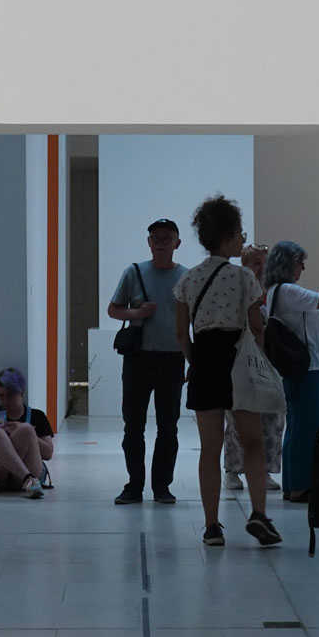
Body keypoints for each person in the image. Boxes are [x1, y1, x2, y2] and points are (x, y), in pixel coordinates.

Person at [173, 196, 280, 547]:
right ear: (228, 235)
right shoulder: (244, 277)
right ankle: (259, 514)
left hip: (204, 361)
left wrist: (195, 362)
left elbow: (181, 333)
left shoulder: (187, 279)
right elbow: (256, 326)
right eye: (240, 233)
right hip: (237, 361)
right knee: (252, 442)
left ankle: (211, 527)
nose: (242, 239)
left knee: (210, 447)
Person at [105, 218, 189, 504]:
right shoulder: (134, 272)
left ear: (177, 243)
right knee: (133, 426)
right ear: (149, 242)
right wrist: (136, 314)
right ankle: (134, 485)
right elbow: (113, 309)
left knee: (168, 427)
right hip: (138, 358)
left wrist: (192, 357)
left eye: (167, 239)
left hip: (172, 358)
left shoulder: (186, 277)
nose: (161, 244)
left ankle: (162, 486)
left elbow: (194, 319)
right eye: (156, 239)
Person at [263, 240, 319, 503]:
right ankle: (301, 486)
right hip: (310, 366)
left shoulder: (277, 291)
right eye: (300, 262)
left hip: (304, 367)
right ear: (288, 264)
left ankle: (295, 484)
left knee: (299, 427)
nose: (303, 268)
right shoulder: (288, 291)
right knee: (309, 429)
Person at [223, 243, 283, 491]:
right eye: (256, 263)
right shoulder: (237, 290)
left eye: (265, 263)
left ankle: (263, 470)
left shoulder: (272, 291)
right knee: (238, 417)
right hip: (241, 362)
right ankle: (233, 470)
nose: (262, 268)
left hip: (266, 363)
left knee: (270, 416)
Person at [0, 367, 54, 498]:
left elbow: (48, 453)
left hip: (4, 476)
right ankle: (28, 479)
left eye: (10, 395)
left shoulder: (37, 416)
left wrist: (30, 435)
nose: (6, 400)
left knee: (26, 429)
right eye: (1, 396)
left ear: (21, 392)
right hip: (0, 477)